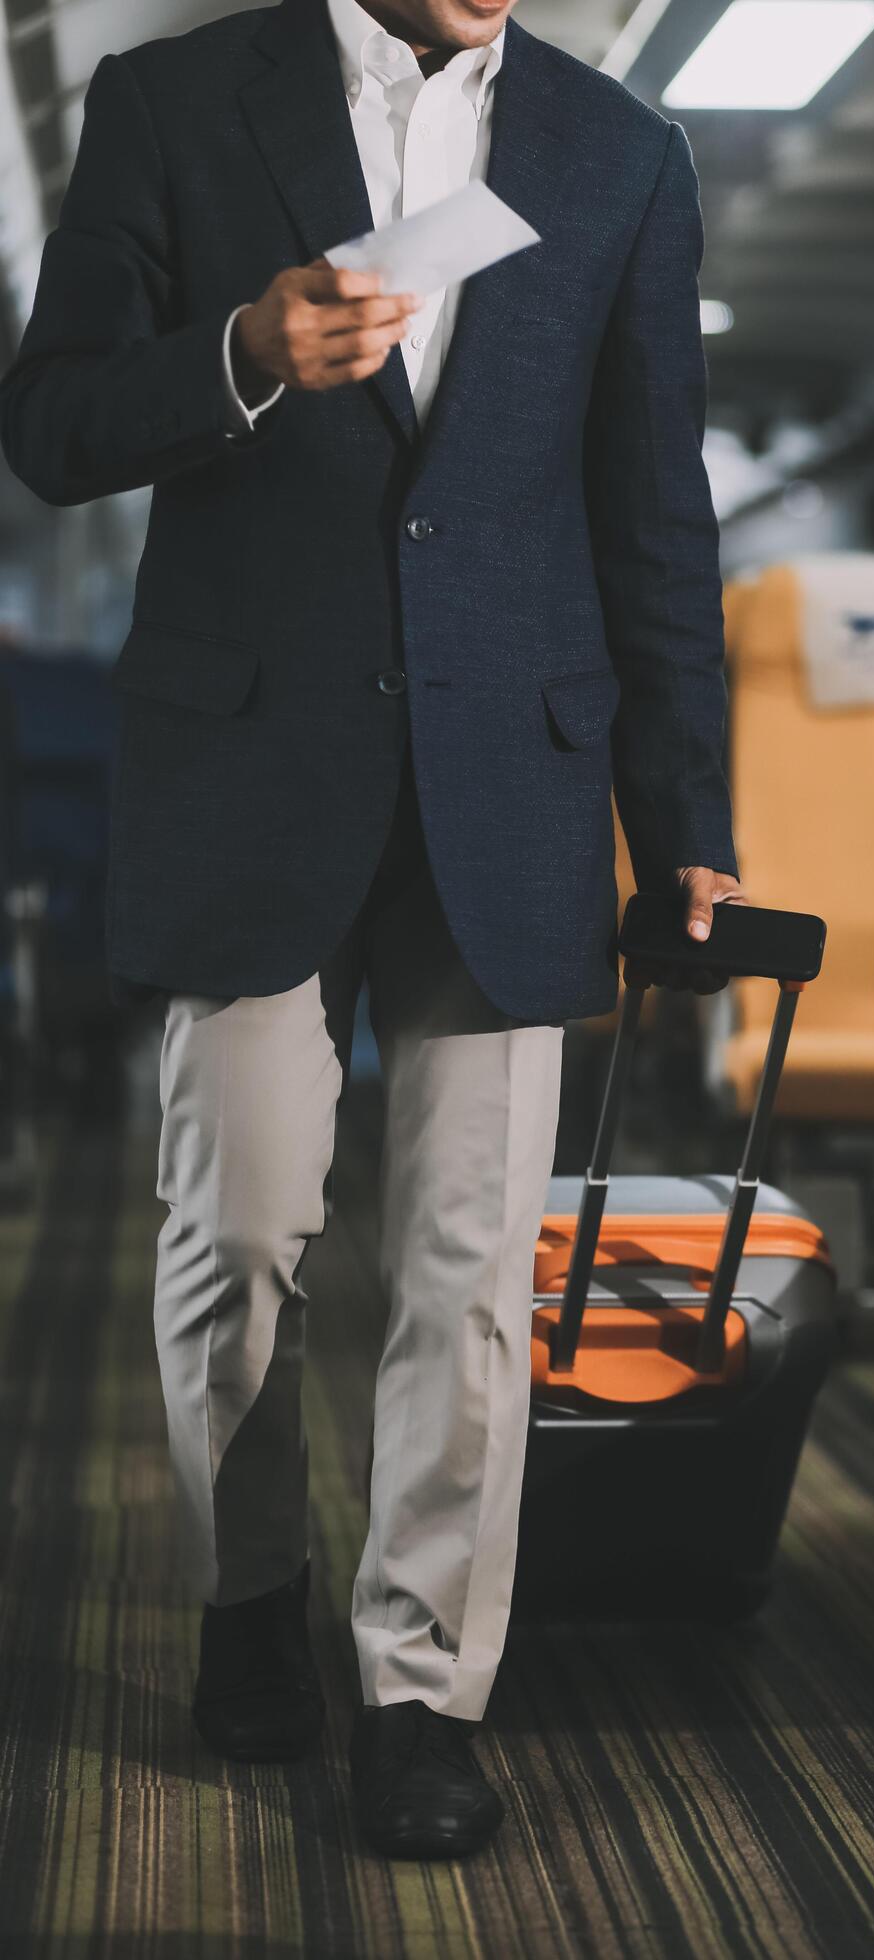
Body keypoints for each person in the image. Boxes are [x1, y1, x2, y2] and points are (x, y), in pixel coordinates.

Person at [0, 0, 741, 1861]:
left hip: (515, 776)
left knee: (470, 1271)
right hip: (251, 759)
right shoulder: (169, 100)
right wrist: (242, 351)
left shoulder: (620, 153)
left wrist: (690, 822)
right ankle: (253, 1593)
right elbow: (56, 423)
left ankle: (422, 1687)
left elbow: (654, 513)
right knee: (238, 1230)